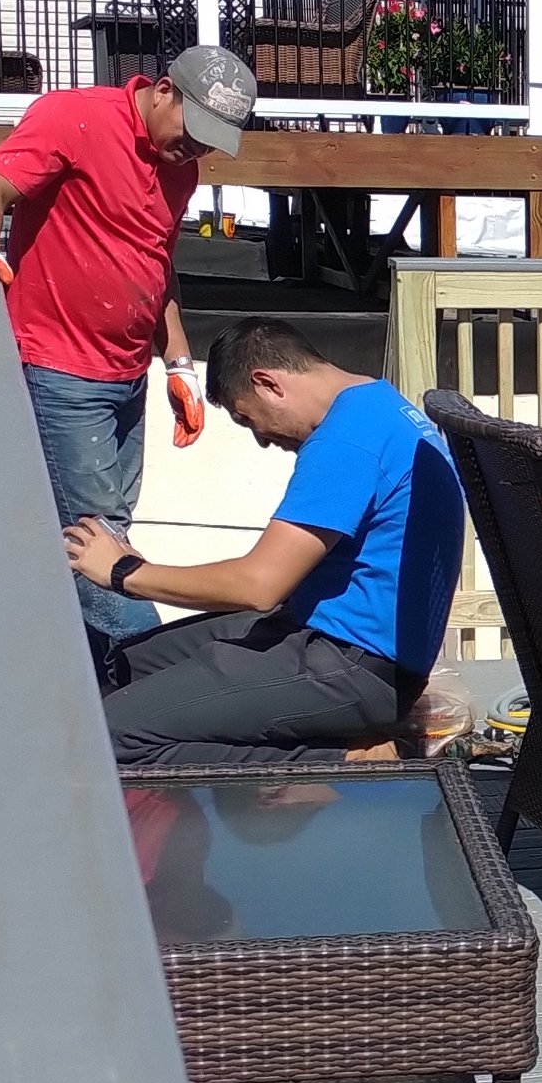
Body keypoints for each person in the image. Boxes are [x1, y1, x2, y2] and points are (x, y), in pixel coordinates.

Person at [0, 44, 256, 645]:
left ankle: (76, 674)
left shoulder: (178, 167)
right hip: (59, 364)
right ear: (163, 90)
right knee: (95, 543)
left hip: (126, 372)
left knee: (107, 530)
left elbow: (155, 264)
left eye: (211, 140)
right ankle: (147, 675)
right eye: (193, 129)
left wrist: (179, 362)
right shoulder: (75, 118)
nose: (196, 148)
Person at [65, 318, 466, 767]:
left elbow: (259, 586)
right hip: (318, 630)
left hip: (355, 668)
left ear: (267, 383)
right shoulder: (376, 405)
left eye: (246, 417)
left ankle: (352, 760)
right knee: (120, 669)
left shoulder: (348, 442)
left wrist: (125, 574)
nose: (260, 439)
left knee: (105, 738)